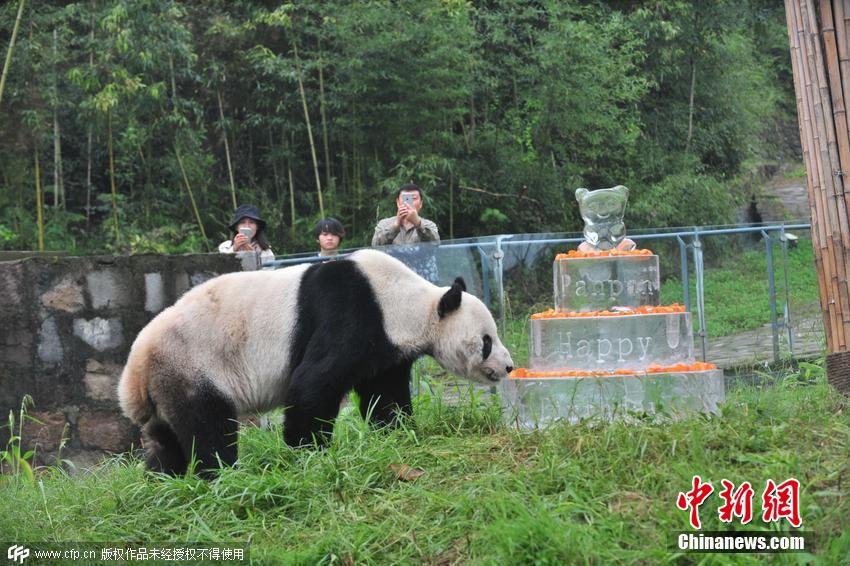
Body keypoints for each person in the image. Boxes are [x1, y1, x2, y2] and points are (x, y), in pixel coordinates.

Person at [371, 183, 440, 246]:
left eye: (414, 198)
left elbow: (435, 245)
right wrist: (395, 225)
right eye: (406, 199)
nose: (409, 203)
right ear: (398, 202)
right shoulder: (383, 224)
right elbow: (375, 247)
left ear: (421, 203)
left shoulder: (429, 225)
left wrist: (418, 224)